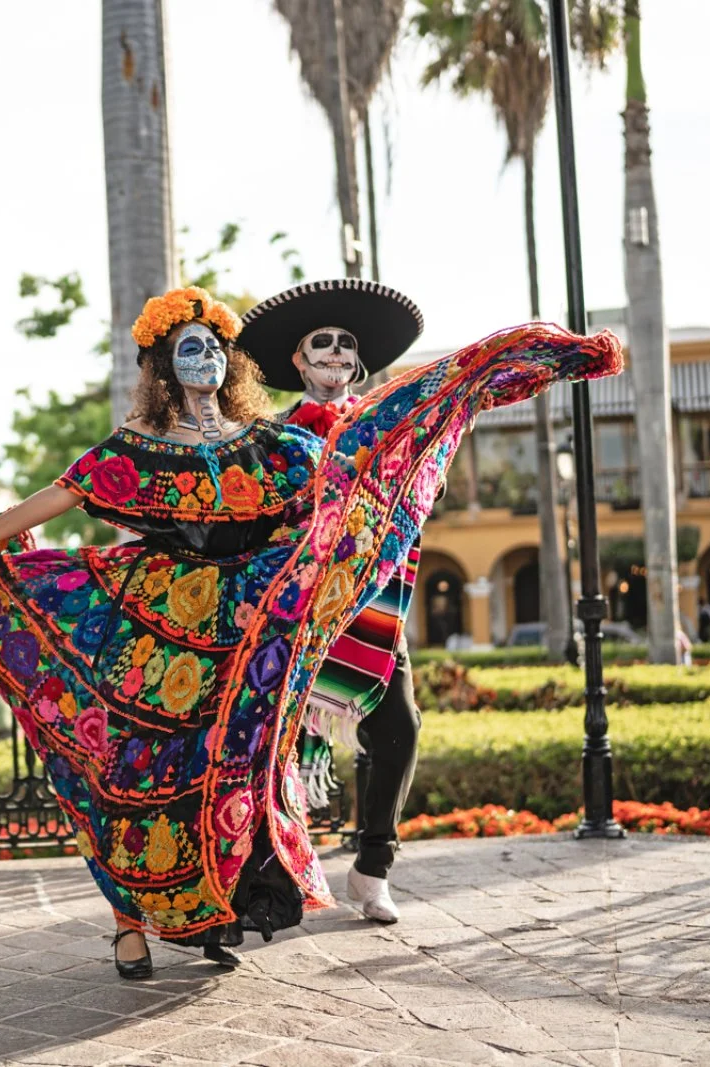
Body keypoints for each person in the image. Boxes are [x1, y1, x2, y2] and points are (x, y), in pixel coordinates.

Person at [0, 287, 623, 980]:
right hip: (153, 634)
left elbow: (355, 478)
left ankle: (215, 911)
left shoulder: (274, 445)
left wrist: (469, 382)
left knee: (227, 776)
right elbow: (55, 495)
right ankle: (129, 922)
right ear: (163, 366)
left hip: (244, 636)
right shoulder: (135, 449)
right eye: (191, 348)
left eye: (217, 349)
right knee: (134, 774)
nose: (207, 360)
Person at [238, 279, 427, 924]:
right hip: (294, 615)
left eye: (348, 345)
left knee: (399, 727)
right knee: (270, 747)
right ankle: (277, 876)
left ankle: (373, 867)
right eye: (324, 343)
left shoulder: (388, 426)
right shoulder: (270, 438)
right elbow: (257, 522)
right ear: (299, 359)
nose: (338, 353)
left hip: (370, 608)